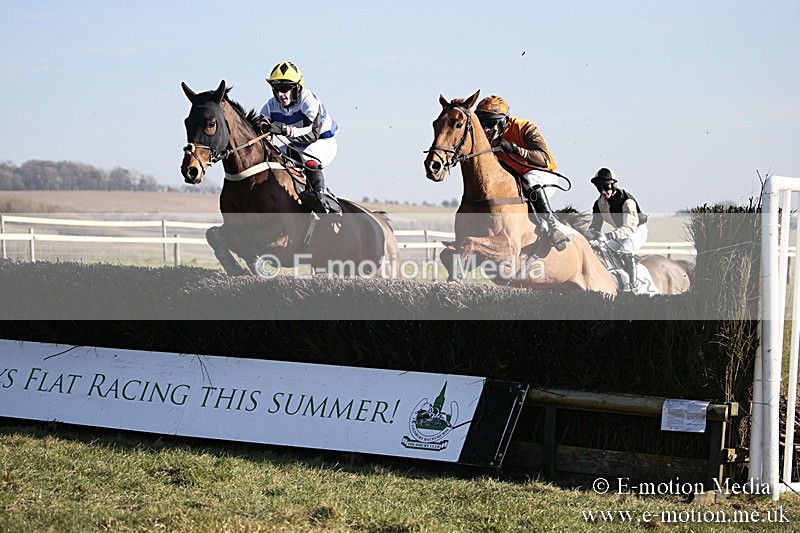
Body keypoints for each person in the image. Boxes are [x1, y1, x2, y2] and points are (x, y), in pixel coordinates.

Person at [474, 95, 569, 252]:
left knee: (531, 180)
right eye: (482, 123)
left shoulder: (525, 127)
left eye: (490, 123)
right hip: (515, 180)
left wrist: (515, 149)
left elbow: (543, 159)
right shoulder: (487, 140)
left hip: (542, 174)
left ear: (504, 121)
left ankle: (552, 225)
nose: (486, 129)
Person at [258, 61, 340, 214]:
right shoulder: (271, 105)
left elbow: (312, 134)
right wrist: (263, 125)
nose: (281, 94)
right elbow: (260, 123)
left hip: (322, 142)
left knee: (309, 157)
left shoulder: (309, 101)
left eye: (285, 89)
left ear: (297, 87)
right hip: (296, 146)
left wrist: (283, 130)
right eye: (276, 89)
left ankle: (320, 198)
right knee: (272, 158)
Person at [588, 167, 649, 291]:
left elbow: (629, 228)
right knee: (602, 249)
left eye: (606, 188)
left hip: (636, 231)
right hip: (619, 233)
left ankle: (633, 286)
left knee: (625, 250)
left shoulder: (627, 201)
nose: (603, 192)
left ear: (614, 185)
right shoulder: (598, 204)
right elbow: (595, 227)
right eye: (599, 188)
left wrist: (608, 236)